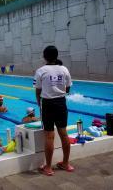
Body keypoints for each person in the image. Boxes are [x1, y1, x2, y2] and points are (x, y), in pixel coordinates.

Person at [34, 45, 74, 176]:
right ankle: (66, 163)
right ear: (57, 56)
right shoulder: (64, 69)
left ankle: (48, 167)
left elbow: (38, 90)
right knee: (64, 134)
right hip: (61, 103)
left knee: (49, 136)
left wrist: (39, 103)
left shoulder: (41, 70)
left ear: (44, 57)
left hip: (48, 104)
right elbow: (67, 89)